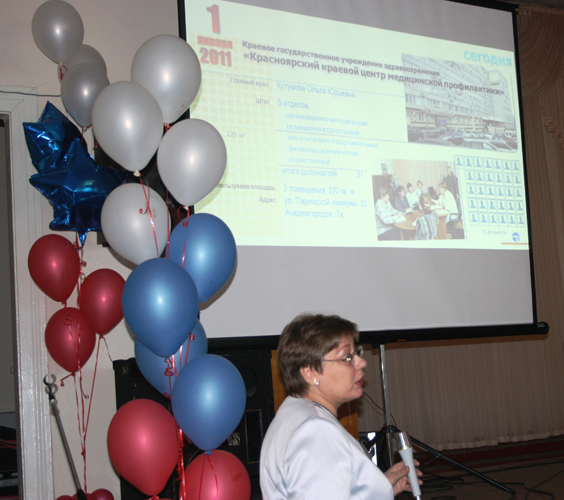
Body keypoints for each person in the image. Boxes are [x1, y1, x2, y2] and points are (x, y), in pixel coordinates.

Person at [260, 314, 422, 500]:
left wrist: (378, 488)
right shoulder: (315, 431)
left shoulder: (293, 411)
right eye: (347, 357)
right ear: (310, 373)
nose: (362, 362)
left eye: (356, 352)